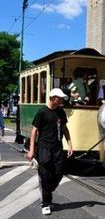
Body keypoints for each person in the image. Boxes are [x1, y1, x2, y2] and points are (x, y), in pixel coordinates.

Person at [27, 88, 73, 216]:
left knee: (59, 173)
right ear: (53, 98)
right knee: (45, 174)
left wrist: (70, 144)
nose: (62, 100)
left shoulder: (60, 112)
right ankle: (46, 203)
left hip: (58, 148)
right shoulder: (42, 112)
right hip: (44, 148)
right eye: (60, 98)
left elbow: (64, 128)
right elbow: (34, 131)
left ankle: (48, 189)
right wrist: (31, 150)